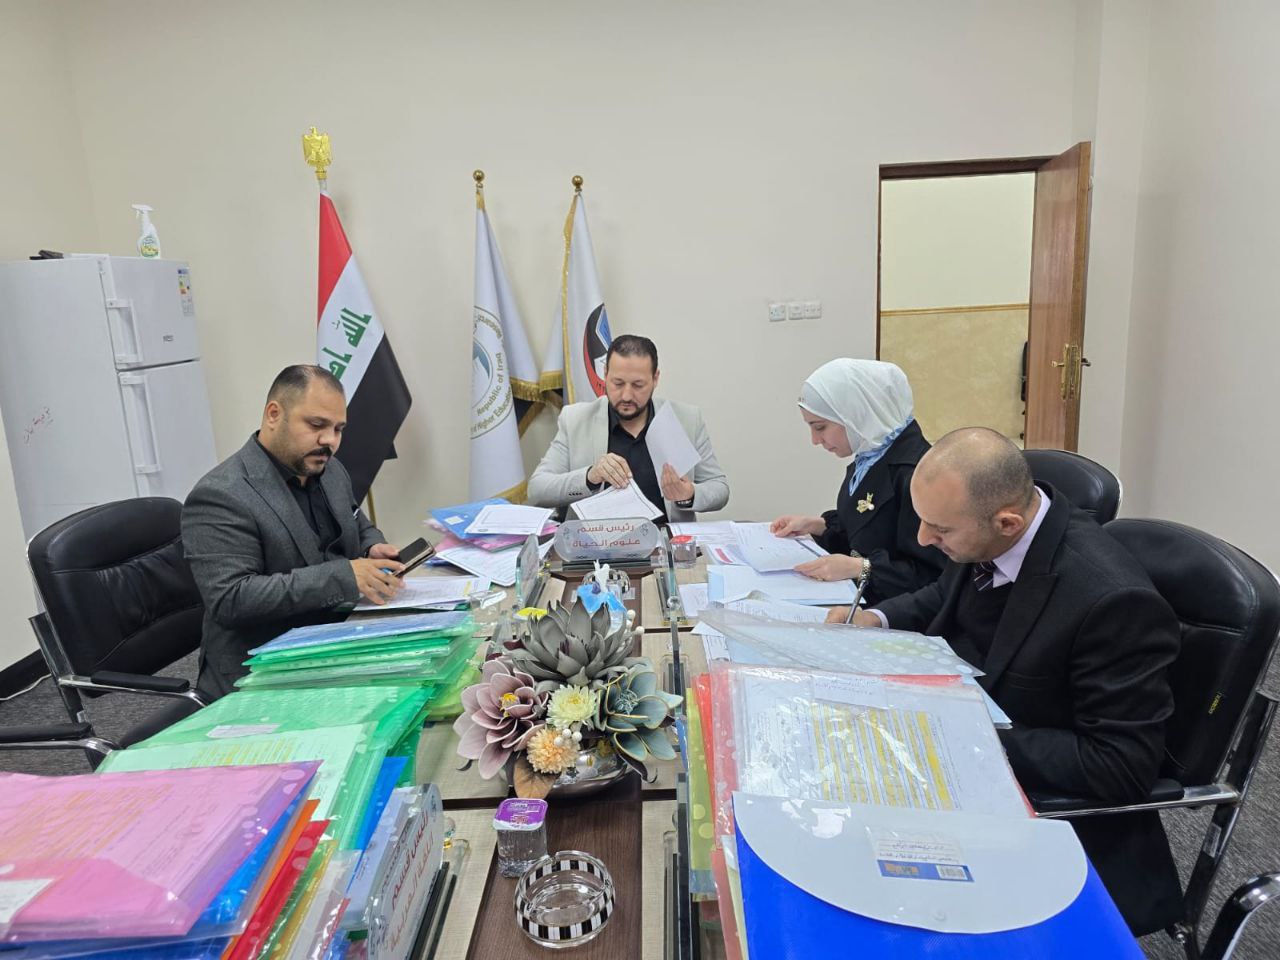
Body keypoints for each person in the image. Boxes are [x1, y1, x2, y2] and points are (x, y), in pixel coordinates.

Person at [828, 427, 1181, 935]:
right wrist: (875, 619)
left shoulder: (1112, 602)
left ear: (1007, 522)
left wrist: (958, 732)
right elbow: (943, 596)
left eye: (939, 529)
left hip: (1039, 815)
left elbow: (1119, 764)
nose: (923, 539)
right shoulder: (994, 535)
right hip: (965, 733)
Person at [182, 364, 404, 700]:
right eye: (316, 425)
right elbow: (232, 598)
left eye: (338, 429)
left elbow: (357, 521)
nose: (330, 441)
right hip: (261, 670)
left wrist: (372, 546)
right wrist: (344, 576)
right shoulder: (220, 494)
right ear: (274, 414)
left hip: (334, 641)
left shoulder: (329, 469)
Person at [771, 358, 945, 605]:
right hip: (862, 602)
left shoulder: (917, 473)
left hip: (894, 614)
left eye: (820, 427)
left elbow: (932, 577)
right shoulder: (870, 456)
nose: (815, 440)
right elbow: (863, 536)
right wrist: (817, 526)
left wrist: (859, 568)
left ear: (857, 413)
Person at [528, 334, 729, 522]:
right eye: (618, 383)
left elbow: (719, 488)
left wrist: (689, 494)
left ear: (655, 379)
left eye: (638, 385)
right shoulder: (575, 420)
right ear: (605, 374)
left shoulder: (686, 420)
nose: (626, 395)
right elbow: (537, 490)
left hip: (666, 543)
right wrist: (590, 477)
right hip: (596, 544)